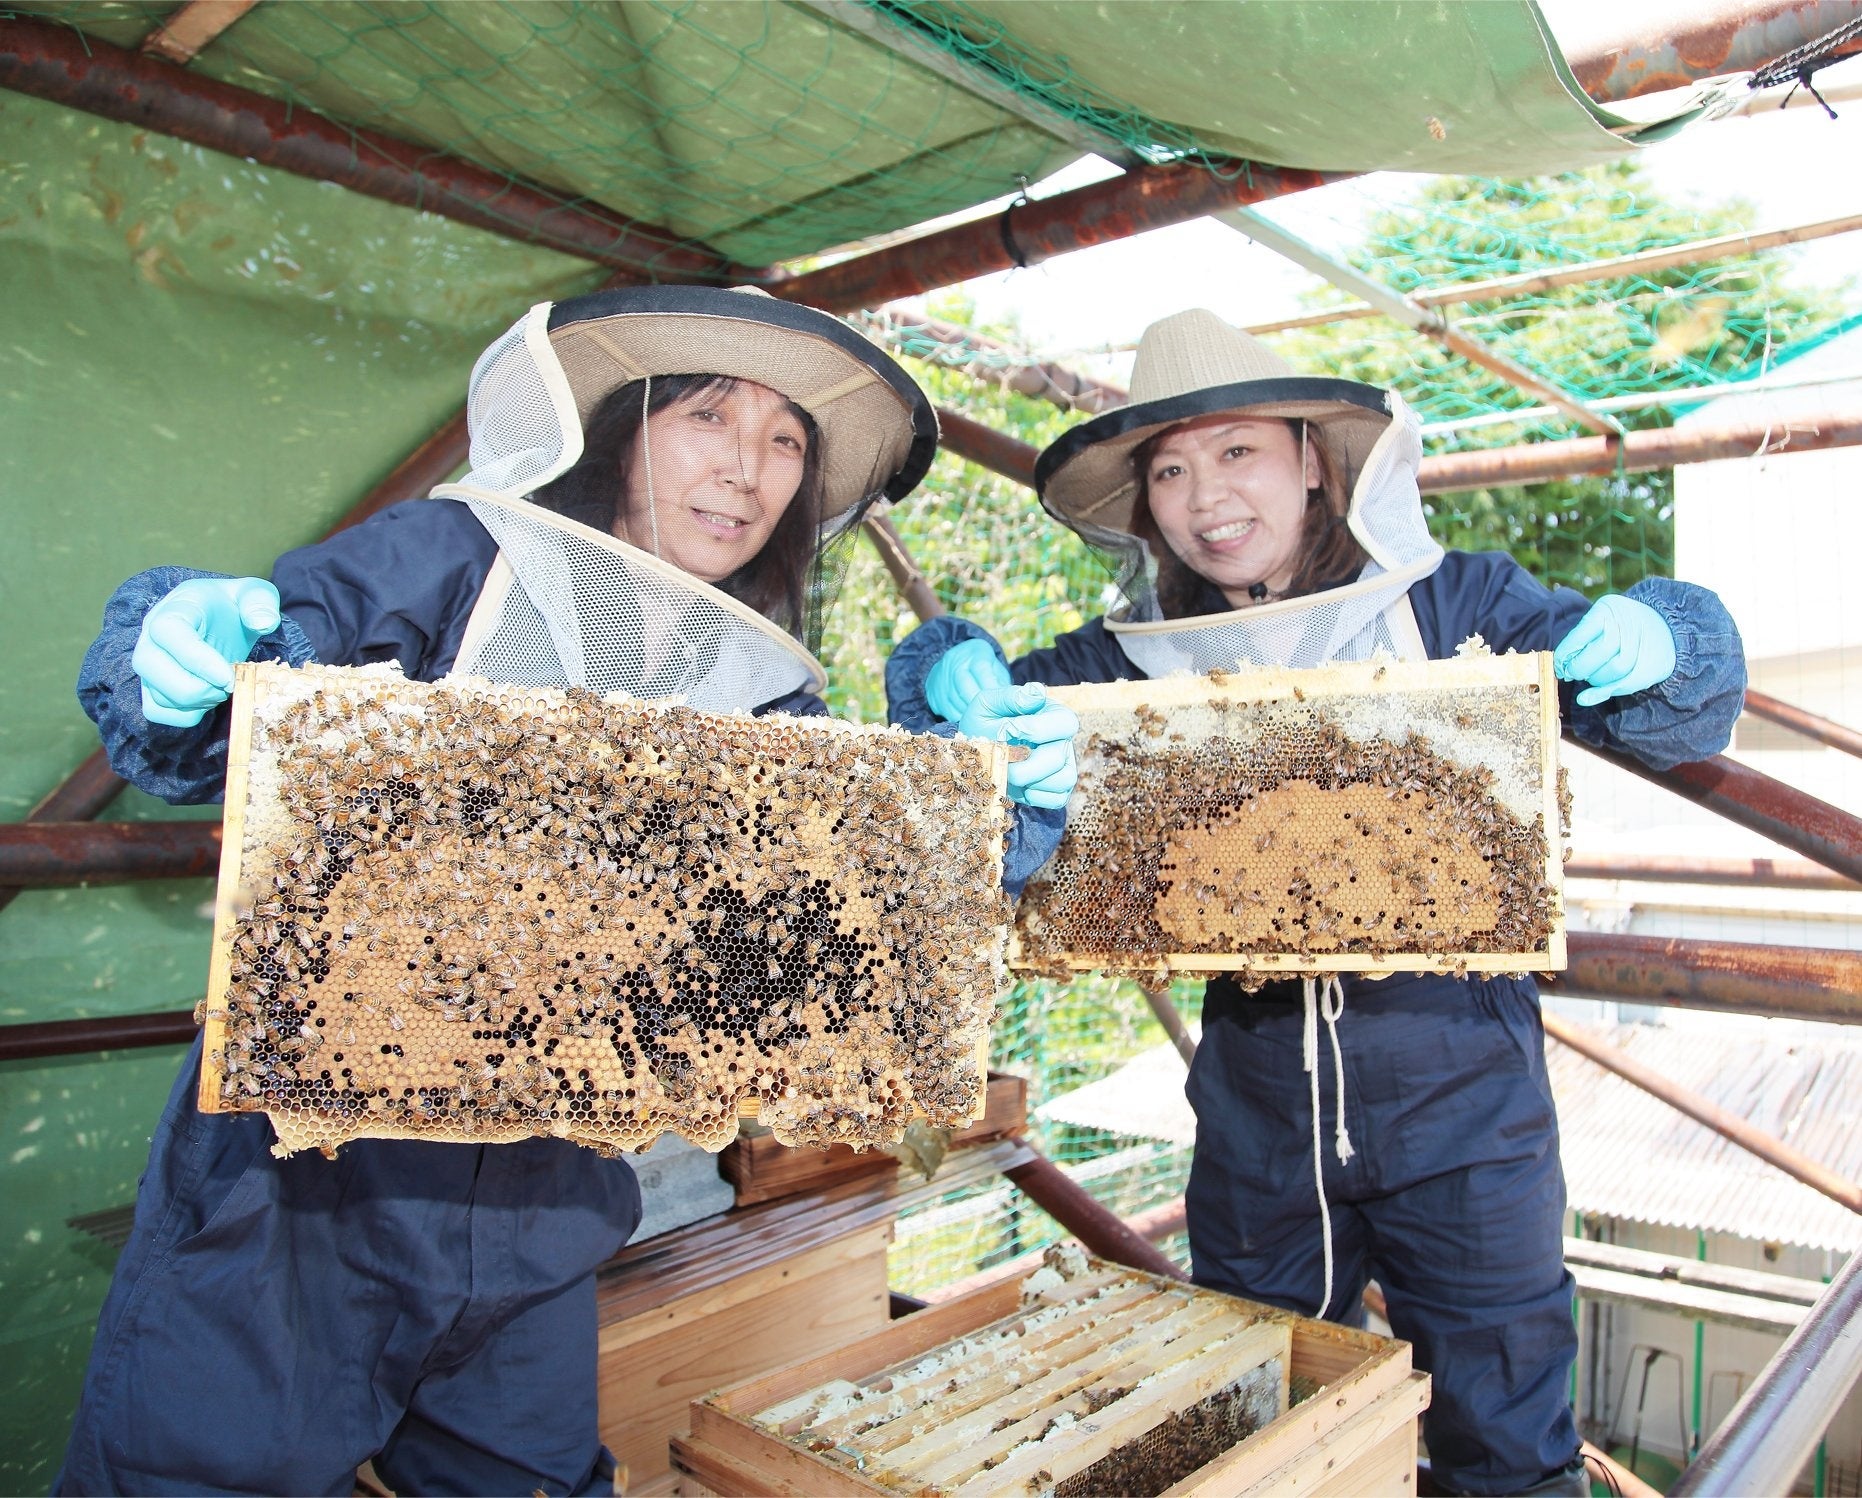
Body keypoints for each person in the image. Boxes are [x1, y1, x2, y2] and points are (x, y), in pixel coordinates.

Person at [61, 285, 1075, 1495]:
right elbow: (242, 701)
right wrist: (179, 656)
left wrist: (997, 796)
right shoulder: (452, 562)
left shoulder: (760, 692)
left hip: (545, 1208)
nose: (747, 468)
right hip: (295, 1196)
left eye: (785, 440)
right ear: (618, 428)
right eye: (708, 416)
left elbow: (858, 923)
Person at [887, 309, 1746, 1498]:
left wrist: (1670, 637)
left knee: (1505, 1438)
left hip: (1466, 1114)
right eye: (1169, 470)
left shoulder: (1453, 607)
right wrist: (942, 671)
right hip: (1254, 1123)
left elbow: (1678, 709)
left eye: (1236, 450)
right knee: (1262, 1435)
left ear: (1310, 460)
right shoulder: (1124, 661)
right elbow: (943, 757)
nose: (1204, 495)